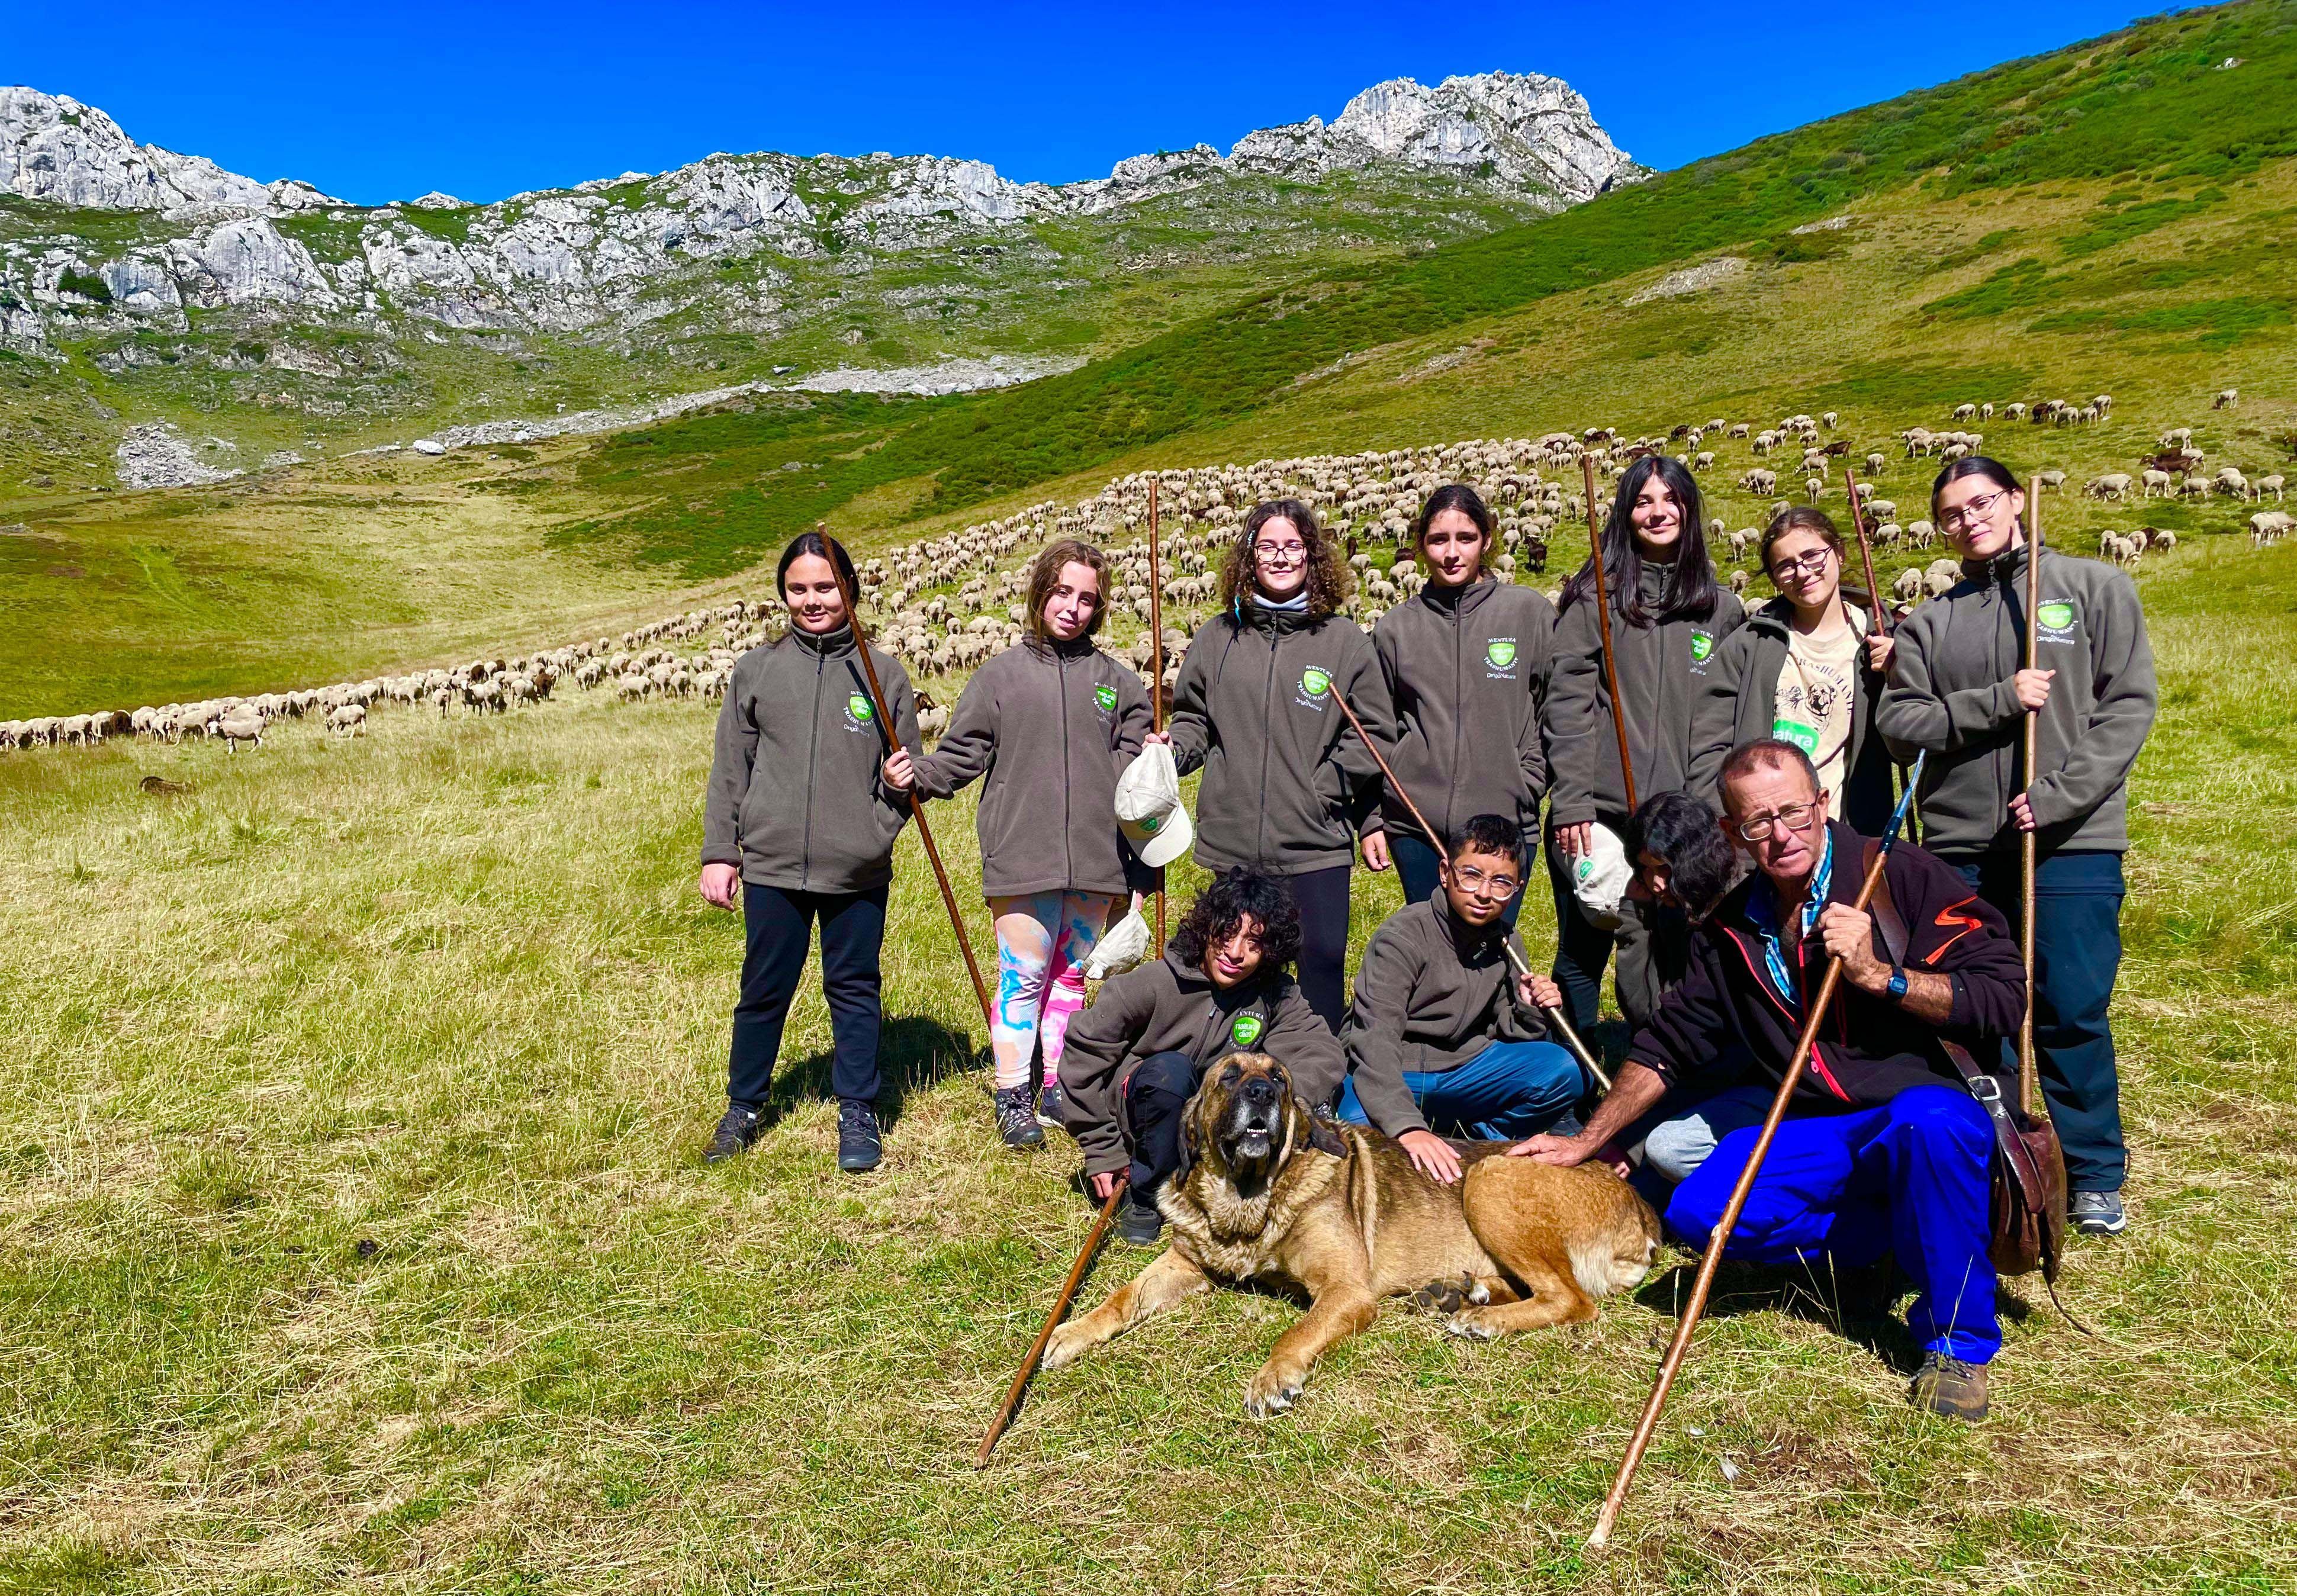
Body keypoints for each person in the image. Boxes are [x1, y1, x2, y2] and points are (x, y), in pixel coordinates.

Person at [1514, 738, 2028, 1420]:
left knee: (1926, 1123)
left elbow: (2004, 994)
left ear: (1822, 803)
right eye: (1757, 822)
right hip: (1821, 1126)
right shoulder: (1731, 927)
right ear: (1732, 833)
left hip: (1925, 1114)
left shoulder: (1898, 874)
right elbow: (1668, 1043)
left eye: (1793, 811)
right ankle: (1884, 1244)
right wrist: (1589, 1138)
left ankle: (1956, 1344)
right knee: (1699, 1210)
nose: (1780, 834)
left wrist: (1884, 977)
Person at [1877, 456, 2158, 1238]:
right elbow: (1901, 726)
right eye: (1952, 514)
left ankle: (2093, 1171)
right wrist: (1998, 702)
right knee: (1981, 1014)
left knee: (2070, 1007)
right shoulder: (1933, 621)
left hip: (2071, 841)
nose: (1970, 521)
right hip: (1964, 848)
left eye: (1981, 503)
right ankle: (2003, 1162)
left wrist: (2060, 795)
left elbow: (2128, 705)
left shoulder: (2096, 588)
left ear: (2013, 502)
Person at [882, 539, 1150, 1151]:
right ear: (1041, 593)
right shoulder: (1000, 675)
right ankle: (1011, 1093)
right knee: (1023, 975)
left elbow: (1139, 775)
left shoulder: (1117, 683)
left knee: (1072, 977)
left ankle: (1056, 1086)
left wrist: (1157, 760)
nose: (1073, 607)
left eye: (1087, 599)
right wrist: (914, 775)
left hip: (1095, 856)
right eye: (1062, 592)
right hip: (1021, 852)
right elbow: (960, 753)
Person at [699, 530, 921, 1174]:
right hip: (772, 864)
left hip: (855, 867)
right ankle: (743, 1106)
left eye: (824, 586)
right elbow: (730, 769)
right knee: (763, 988)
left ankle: (858, 1107)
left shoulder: (884, 673)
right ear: (783, 595)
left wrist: (884, 812)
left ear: (848, 588)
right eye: (798, 589)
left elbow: (905, 769)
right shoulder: (758, 671)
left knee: (853, 988)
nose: (812, 599)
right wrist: (723, 851)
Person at [1151, 500, 1395, 1030]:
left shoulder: (1343, 642)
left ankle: (1320, 1075)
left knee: (1321, 962)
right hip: (1233, 838)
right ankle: (1236, 1071)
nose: (1280, 557)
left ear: (1311, 555)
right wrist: (1173, 752)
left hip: (1314, 840)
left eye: (1292, 546)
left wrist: (1323, 786)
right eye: (1267, 546)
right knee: (1235, 964)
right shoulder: (1218, 638)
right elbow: (1195, 717)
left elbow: (1374, 733)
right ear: (1249, 556)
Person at [1545, 455, 1746, 1034]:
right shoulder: (1595, 601)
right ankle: (1577, 1082)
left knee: (1682, 946)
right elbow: (1569, 704)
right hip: (1604, 810)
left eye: (1670, 499)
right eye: (1643, 501)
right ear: (1624, 513)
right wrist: (1575, 798)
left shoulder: (1720, 608)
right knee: (1586, 947)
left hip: (1690, 815)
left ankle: (1664, 1065)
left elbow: (1726, 714)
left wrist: (1713, 809)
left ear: (1688, 509)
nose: (1658, 512)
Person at [1059, 869, 1346, 1245]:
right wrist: (1102, 1148)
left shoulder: (1276, 996)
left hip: (1214, 1130)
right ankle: (1147, 1194)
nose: (1236, 952)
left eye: (1254, 942)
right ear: (1206, 928)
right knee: (1170, 1074)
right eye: (1227, 933)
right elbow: (1083, 1052)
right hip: (1144, 1115)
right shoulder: (1153, 983)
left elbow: (1322, 1052)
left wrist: (1275, 1093)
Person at [1337, 813, 1587, 1185]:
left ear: (1516, 889)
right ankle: (1425, 1142)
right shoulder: (1402, 936)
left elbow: (1508, 1031)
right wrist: (1407, 1128)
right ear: (1445, 873)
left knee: (1564, 1071)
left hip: (1468, 1067)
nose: (1484, 893)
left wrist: (1530, 1010)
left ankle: (1477, 1144)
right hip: (1402, 1069)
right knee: (1356, 1128)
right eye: (1471, 875)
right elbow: (1374, 1041)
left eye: (1501, 882)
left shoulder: (1508, 943)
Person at [1373, 484, 1557, 916]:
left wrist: (1528, 780)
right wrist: (1379, 810)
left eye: (1466, 538)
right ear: (1421, 546)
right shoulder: (1395, 628)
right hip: (1415, 825)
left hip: (1504, 822)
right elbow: (1376, 726)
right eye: (1438, 540)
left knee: (1492, 952)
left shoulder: (1528, 613)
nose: (1451, 553)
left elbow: (1559, 706)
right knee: (1429, 948)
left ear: (1487, 541)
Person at [1690, 507, 1898, 835]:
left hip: (1848, 830)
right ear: (1774, 578)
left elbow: (1906, 744)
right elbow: (1709, 743)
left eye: (1813, 555)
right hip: (1764, 833)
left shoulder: (1878, 639)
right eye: (1786, 566)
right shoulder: (1750, 644)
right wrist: (1725, 821)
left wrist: (1896, 676)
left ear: (1839, 554)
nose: (1802, 573)